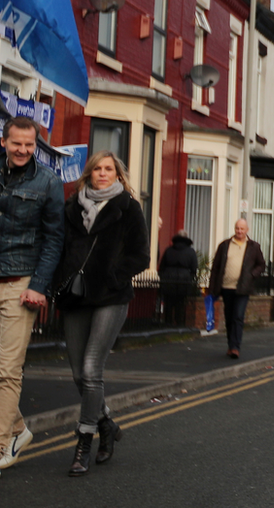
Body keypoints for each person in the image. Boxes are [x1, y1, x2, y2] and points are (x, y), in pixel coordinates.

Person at [51, 151, 150, 476]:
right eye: (97, 169)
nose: (103, 173)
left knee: (92, 370)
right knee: (80, 375)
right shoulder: (71, 207)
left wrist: (111, 277)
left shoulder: (128, 207)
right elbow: (60, 248)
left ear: (118, 175)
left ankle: (84, 440)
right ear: (88, 174)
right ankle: (106, 422)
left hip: (110, 297)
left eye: (109, 169)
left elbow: (140, 256)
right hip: (76, 297)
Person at [0, 118, 64, 475]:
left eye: (29, 145)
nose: (23, 150)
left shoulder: (49, 183)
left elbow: (55, 240)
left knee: (7, 368)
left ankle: (2, 443)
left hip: (21, 282)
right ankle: (19, 429)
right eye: (17, 144)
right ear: (4, 142)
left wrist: (38, 285)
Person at [207, 218, 266, 359]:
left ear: (247, 230)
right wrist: (212, 287)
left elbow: (261, 265)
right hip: (227, 287)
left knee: (238, 317)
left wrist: (252, 274)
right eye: (237, 228)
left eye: (242, 229)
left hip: (243, 288)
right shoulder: (225, 245)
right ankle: (230, 344)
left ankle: (235, 347)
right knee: (229, 317)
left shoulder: (254, 247)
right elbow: (216, 267)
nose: (239, 231)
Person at [158, 230, 197, 326]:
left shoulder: (169, 250)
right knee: (180, 304)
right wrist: (189, 278)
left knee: (168, 304)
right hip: (184, 281)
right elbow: (194, 268)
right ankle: (179, 324)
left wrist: (164, 278)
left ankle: (167, 323)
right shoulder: (191, 252)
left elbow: (161, 267)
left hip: (169, 280)